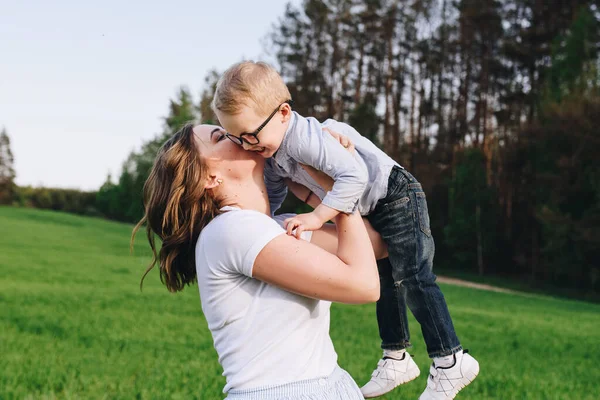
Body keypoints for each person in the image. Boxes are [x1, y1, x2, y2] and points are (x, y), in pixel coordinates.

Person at [211, 61, 480, 399]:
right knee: (387, 280)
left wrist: (316, 216)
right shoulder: (273, 151)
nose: (247, 145)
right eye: (236, 138)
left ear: (282, 113)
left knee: (414, 277)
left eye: (251, 134)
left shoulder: (303, 138)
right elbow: (271, 198)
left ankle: (451, 361)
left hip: (395, 194)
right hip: (371, 205)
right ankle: (396, 357)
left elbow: (354, 176)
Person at [132, 123, 388, 399]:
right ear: (209, 177)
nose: (238, 134)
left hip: (327, 384)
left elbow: (378, 244)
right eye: (221, 136)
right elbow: (364, 285)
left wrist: (332, 187)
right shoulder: (231, 230)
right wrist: (339, 184)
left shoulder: (276, 228)